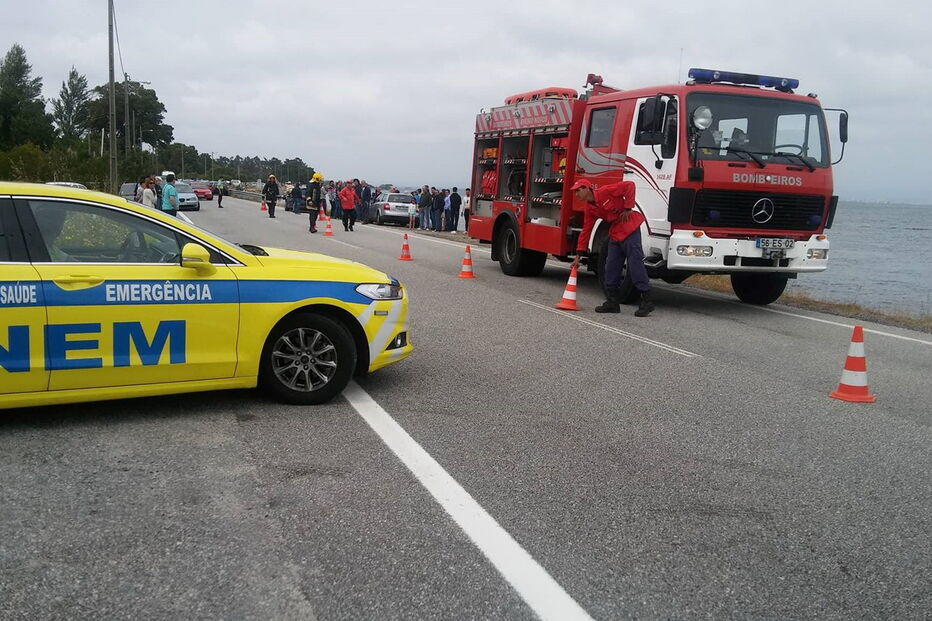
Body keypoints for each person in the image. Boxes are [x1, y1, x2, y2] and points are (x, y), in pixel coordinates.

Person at [570, 179, 654, 316]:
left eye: (578, 190)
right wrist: (578, 256)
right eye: (575, 192)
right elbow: (586, 231)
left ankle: (647, 301)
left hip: (629, 228)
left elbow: (630, 185)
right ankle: (612, 302)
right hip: (616, 233)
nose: (577, 194)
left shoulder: (606, 191)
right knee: (610, 266)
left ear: (587, 188)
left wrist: (628, 207)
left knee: (635, 263)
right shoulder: (589, 208)